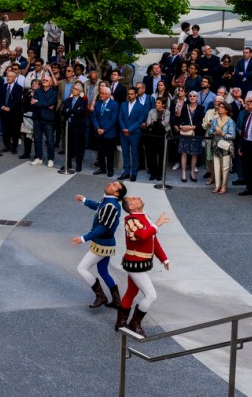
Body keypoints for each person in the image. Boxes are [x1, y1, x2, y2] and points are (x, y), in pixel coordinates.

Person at [115, 196, 171, 337]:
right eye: (133, 199)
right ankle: (135, 323)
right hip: (134, 264)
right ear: (131, 207)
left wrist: (164, 258)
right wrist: (156, 225)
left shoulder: (145, 217)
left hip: (140, 263)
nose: (137, 198)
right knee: (151, 295)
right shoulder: (130, 220)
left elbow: (153, 240)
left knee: (131, 292)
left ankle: (121, 323)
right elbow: (141, 236)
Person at [71, 181, 126, 309]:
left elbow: (103, 227)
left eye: (114, 185)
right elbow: (98, 207)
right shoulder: (107, 200)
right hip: (105, 243)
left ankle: (101, 296)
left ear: (117, 193)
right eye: (112, 183)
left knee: (82, 268)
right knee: (103, 271)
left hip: (102, 244)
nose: (110, 184)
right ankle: (117, 300)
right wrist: (84, 200)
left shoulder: (111, 206)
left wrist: (83, 238)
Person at [117, 86, 147, 181]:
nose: (129, 96)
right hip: (123, 133)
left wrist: (129, 130)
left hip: (134, 134)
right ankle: (126, 172)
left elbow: (139, 121)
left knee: (135, 154)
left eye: (131, 94)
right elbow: (120, 118)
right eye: (128, 94)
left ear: (136, 94)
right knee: (125, 154)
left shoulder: (141, 107)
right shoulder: (123, 105)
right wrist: (123, 129)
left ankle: (134, 173)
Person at [207, 100, 236, 195]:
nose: (219, 108)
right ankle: (217, 186)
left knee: (225, 167)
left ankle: (224, 186)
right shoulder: (215, 120)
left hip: (225, 146)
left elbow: (233, 135)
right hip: (215, 145)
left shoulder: (230, 121)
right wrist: (215, 132)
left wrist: (223, 134)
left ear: (226, 110)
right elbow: (210, 131)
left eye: (222, 107)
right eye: (219, 107)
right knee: (216, 166)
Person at [175, 91, 204, 183]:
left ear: (197, 98)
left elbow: (202, 121)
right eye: (190, 96)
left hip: (195, 133)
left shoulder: (201, 108)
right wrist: (181, 126)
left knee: (194, 154)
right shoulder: (183, 107)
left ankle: (192, 173)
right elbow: (178, 119)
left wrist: (193, 127)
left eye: (194, 96)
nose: (192, 97)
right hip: (185, 133)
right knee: (184, 153)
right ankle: (183, 173)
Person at [93, 84, 118, 177]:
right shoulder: (98, 103)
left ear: (108, 94)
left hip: (109, 133)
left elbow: (113, 119)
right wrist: (97, 128)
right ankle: (102, 168)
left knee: (110, 153)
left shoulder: (114, 104)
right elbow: (94, 117)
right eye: (100, 93)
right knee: (100, 151)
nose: (101, 95)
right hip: (98, 132)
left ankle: (110, 170)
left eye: (103, 93)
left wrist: (104, 129)